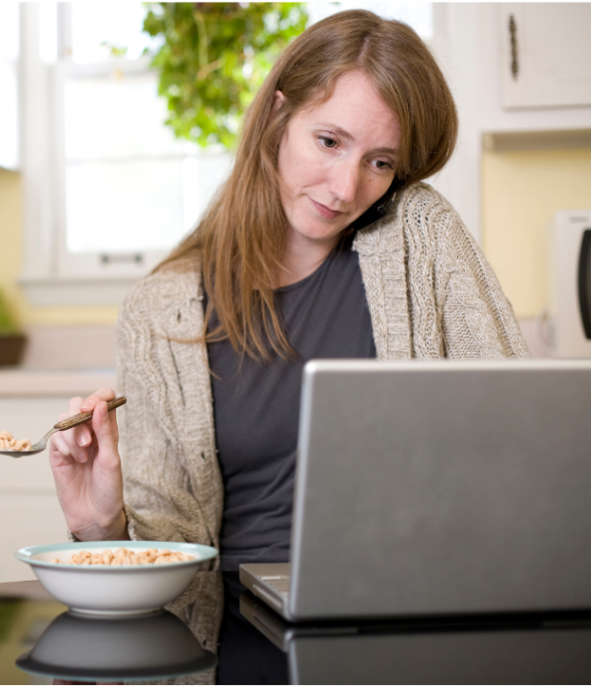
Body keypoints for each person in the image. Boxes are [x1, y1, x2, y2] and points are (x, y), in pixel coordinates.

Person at [47, 11, 529, 570]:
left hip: (411, 596)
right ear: (279, 114)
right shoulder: (159, 312)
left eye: (379, 162)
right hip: (234, 623)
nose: (347, 188)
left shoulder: (420, 235)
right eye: (329, 141)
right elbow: (164, 554)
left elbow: (519, 436)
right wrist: (99, 529)